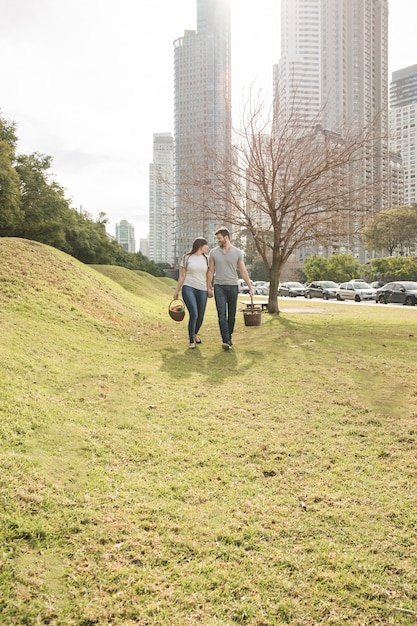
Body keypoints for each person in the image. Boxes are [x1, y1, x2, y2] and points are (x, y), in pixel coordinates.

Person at [207, 227, 253, 350]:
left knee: (232, 315)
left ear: (226, 237)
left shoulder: (238, 253)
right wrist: (209, 286)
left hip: (233, 286)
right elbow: (210, 270)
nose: (218, 241)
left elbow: (243, 271)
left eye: (219, 238)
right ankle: (226, 340)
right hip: (219, 286)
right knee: (222, 313)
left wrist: (250, 287)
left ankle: (229, 337)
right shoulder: (213, 253)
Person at [173, 237, 209, 349]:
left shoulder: (206, 259)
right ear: (200, 246)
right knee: (194, 313)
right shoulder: (186, 257)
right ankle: (191, 340)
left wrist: (209, 288)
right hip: (189, 287)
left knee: (201, 316)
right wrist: (177, 291)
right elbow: (182, 275)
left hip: (202, 289)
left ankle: (195, 333)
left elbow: (208, 276)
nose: (207, 247)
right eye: (206, 245)